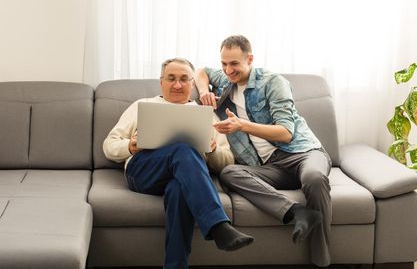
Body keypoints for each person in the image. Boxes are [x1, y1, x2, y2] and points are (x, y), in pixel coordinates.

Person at [103, 57, 253, 269]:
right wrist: (130, 146)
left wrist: (212, 150)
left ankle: (175, 266)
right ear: (161, 82)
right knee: (183, 149)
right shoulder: (142, 106)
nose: (177, 84)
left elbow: (227, 161)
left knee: (179, 190)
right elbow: (109, 145)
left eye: (184, 79)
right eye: (171, 78)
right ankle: (218, 225)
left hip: (186, 179)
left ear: (192, 84)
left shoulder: (207, 114)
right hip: (145, 170)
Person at [195, 36, 332, 267]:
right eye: (224, 64)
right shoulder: (227, 79)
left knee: (314, 179)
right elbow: (201, 71)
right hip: (271, 166)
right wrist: (203, 91)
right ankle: (297, 212)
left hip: (304, 153)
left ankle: (321, 261)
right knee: (230, 173)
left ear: (250, 59)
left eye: (234, 64)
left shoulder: (273, 82)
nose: (228, 70)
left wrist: (241, 125)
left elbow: (286, 133)